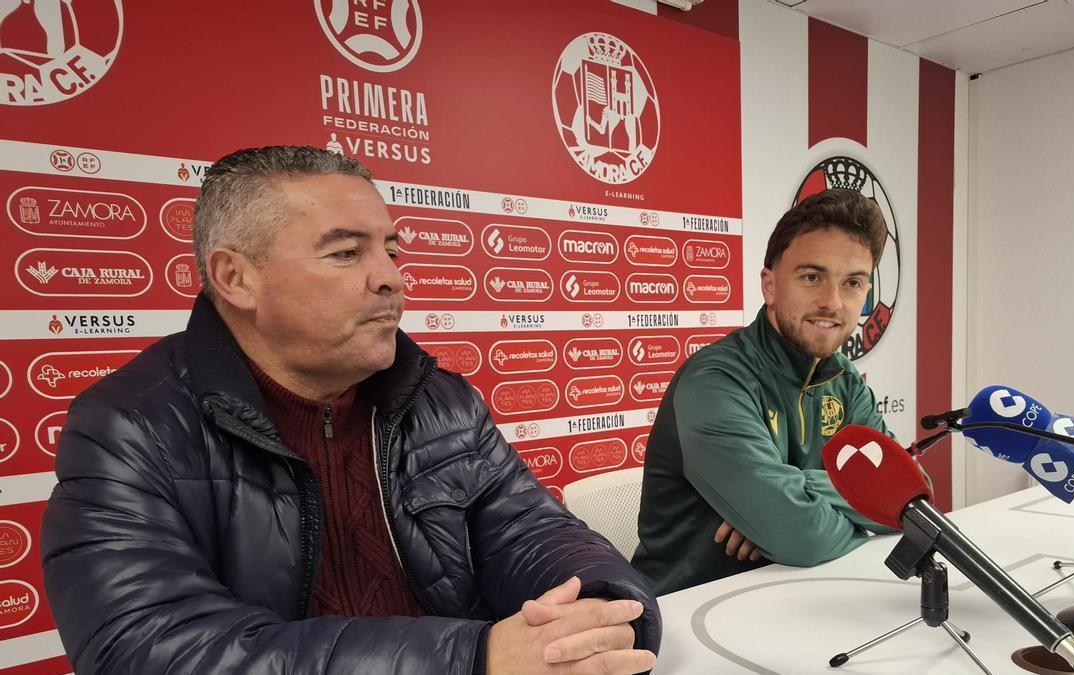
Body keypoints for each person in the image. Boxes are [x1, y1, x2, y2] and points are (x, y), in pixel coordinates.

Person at [41, 146, 660, 675]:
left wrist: (601, 611)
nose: (391, 277)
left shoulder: (441, 400)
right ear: (235, 278)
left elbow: (535, 534)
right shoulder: (131, 426)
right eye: (346, 254)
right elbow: (150, 649)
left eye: (391, 250)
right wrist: (470, 659)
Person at [632, 188, 898, 595]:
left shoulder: (844, 381)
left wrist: (789, 493)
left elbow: (908, 501)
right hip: (690, 616)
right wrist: (819, 514)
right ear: (770, 286)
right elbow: (802, 536)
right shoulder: (716, 380)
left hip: (797, 599)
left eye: (853, 283)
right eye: (812, 277)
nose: (833, 302)